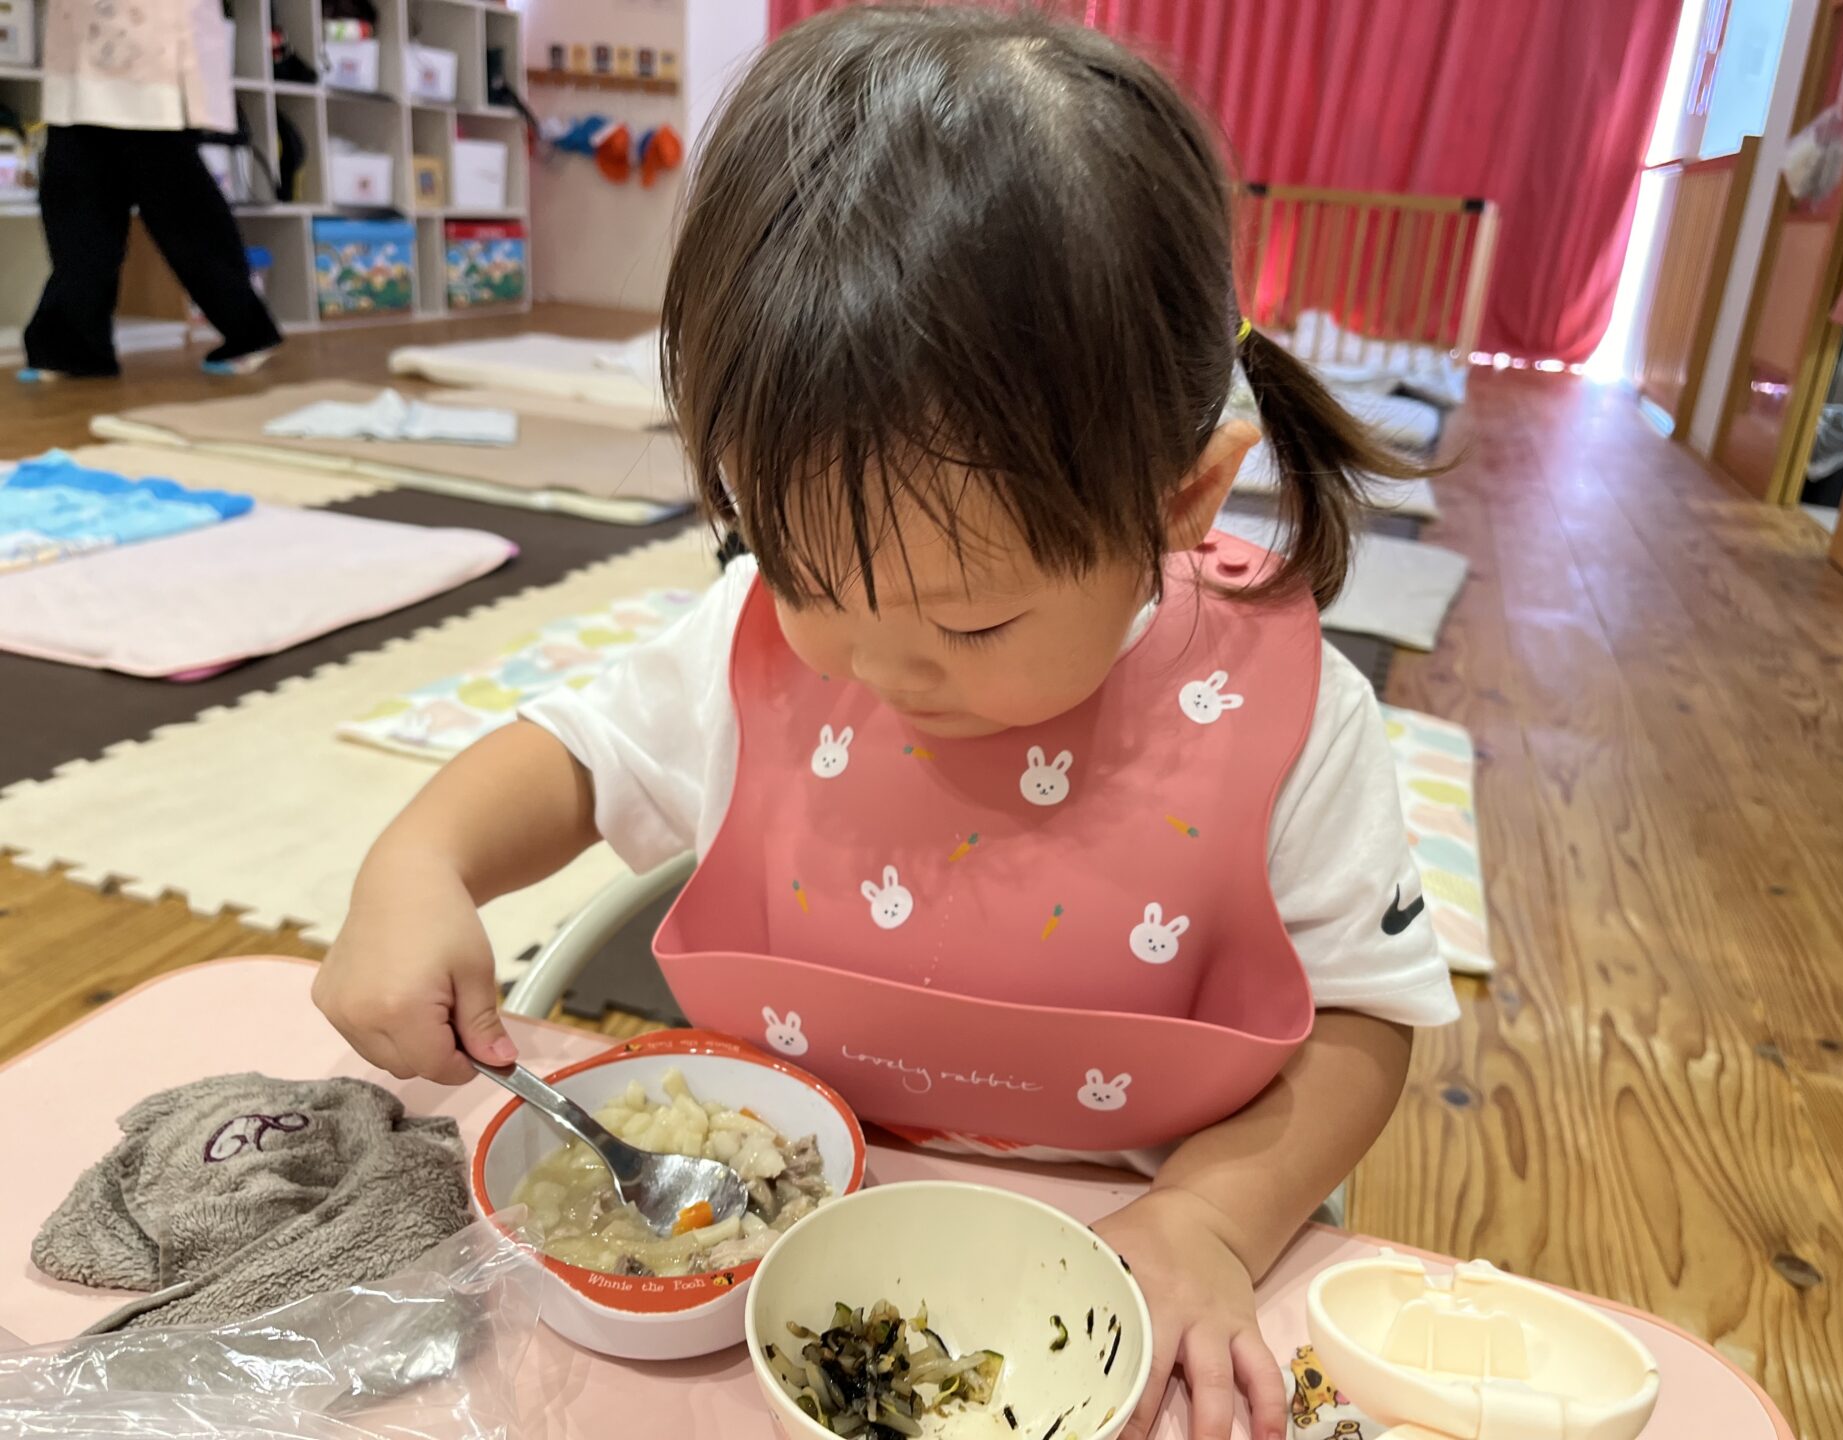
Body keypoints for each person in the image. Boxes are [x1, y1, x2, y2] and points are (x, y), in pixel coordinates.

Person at [313, 8, 1459, 1438]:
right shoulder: (749, 642)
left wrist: (1215, 1219)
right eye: (801, 576)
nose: (873, 665)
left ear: (1181, 501)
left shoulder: (1286, 718)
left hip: (1113, 1265)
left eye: (969, 624)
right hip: (767, 1268)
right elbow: (577, 756)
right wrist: (416, 865)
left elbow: (1363, 1017)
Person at [21, 0, 282, 381]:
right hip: (78, 55)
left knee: (182, 213)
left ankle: (247, 329)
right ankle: (72, 345)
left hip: (152, 54)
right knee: (77, 207)